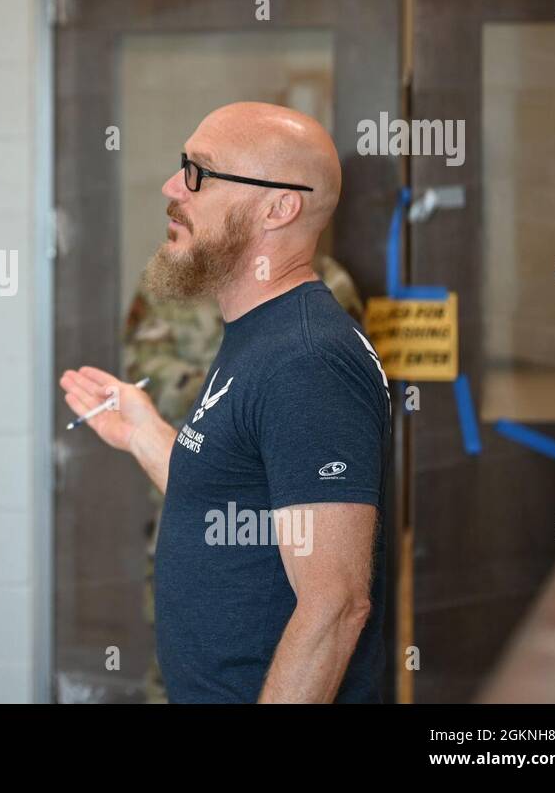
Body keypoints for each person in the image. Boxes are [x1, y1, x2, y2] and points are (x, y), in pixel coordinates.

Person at [62, 102, 391, 703]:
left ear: (279, 206)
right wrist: (144, 433)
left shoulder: (308, 359)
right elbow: (235, 493)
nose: (172, 187)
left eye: (200, 173)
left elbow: (336, 606)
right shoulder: (259, 334)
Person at [123, 253, 362, 703]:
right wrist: (245, 396)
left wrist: (240, 399)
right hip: (185, 505)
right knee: (175, 649)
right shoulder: (172, 274)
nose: (181, 196)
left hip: (283, 517)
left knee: (289, 640)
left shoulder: (323, 281)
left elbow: (334, 388)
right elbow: (143, 369)